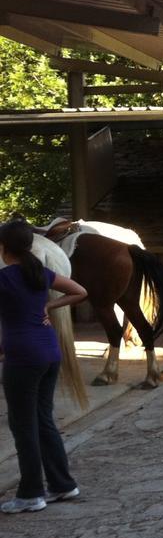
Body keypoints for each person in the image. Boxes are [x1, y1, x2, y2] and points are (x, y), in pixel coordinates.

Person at [0, 220, 88, 514]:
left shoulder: (4, 279)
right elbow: (80, 291)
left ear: (3, 249)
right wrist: (49, 307)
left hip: (22, 359)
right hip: (50, 353)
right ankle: (63, 484)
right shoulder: (40, 273)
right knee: (43, 419)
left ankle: (31, 494)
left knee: (23, 426)